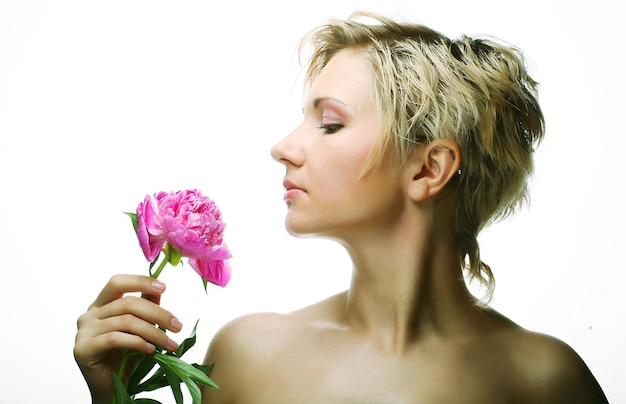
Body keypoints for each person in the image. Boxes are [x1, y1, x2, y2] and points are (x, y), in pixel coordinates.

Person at [74, 11, 609, 403]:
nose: (283, 146)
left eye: (330, 123)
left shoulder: (547, 381)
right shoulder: (248, 355)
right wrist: (114, 396)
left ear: (428, 169)